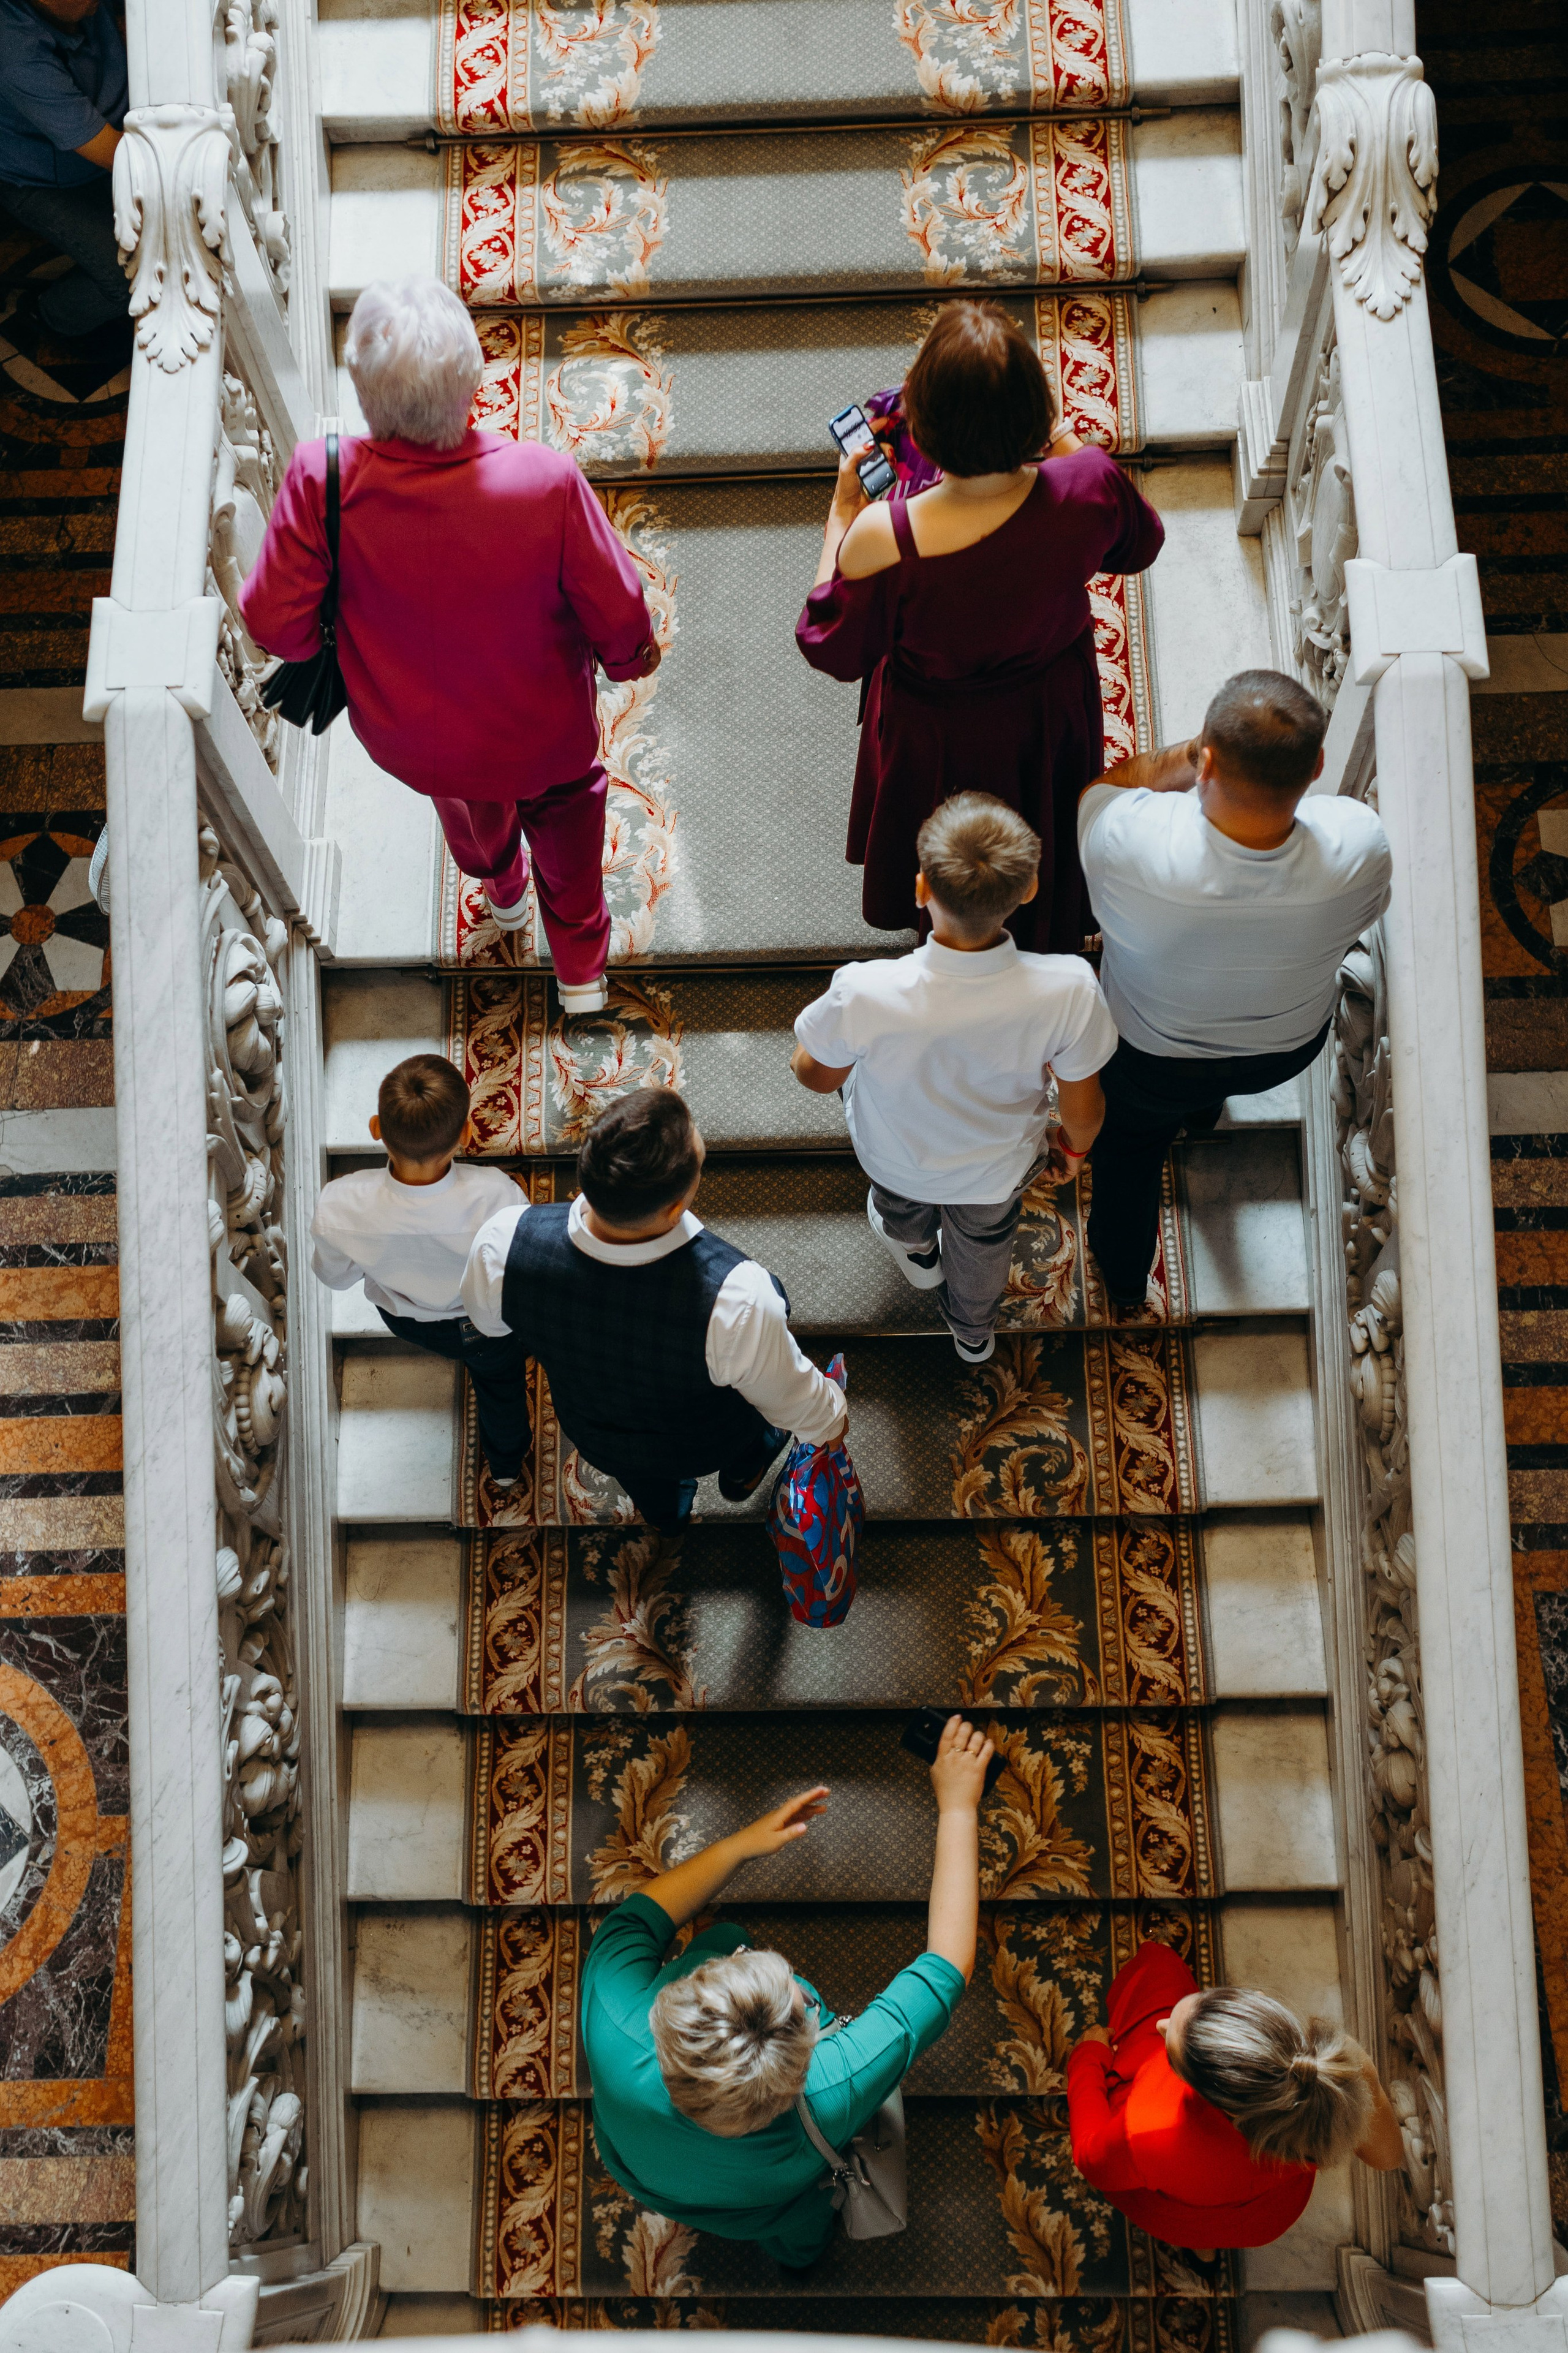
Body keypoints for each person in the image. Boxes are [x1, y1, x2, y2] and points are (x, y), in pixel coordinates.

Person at [238, 277, 658, 1017]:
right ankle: (580, 975)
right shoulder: (544, 480)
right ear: (473, 379)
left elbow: (275, 626)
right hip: (542, 732)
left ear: (365, 394)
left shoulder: (321, 477)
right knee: (567, 824)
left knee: (467, 803)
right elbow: (620, 613)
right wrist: (628, 662)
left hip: (413, 735)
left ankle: (501, 895)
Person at [795, 298, 1164, 957]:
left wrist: (841, 513)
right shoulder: (1088, 485)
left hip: (934, 726)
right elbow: (1139, 543)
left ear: (923, 432)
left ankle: (941, 918)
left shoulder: (888, 533)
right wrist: (1058, 438)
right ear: (1034, 410)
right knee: (1044, 814)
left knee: (937, 831)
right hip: (1048, 705)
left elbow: (832, 643)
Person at [580, 1712, 995, 2267]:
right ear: (805, 2062)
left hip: (647, 2169)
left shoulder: (615, 2014)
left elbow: (633, 1923)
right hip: (771, 2200)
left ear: (669, 2009)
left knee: (722, 1933)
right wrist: (960, 1805)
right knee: (800, 2228)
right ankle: (801, 2256)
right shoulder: (831, 2088)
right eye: (798, 1997)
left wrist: (738, 1848)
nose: (753, 1955)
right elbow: (947, 1966)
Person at [1079, 668, 1392, 1308]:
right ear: (1317, 766)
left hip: (1144, 1060)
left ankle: (1123, 1277)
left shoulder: (1130, 839)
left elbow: (1099, 789)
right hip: (1279, 1048)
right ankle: (1201, 1116)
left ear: (1207, 759)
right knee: (1207, 1086)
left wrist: (1181, 757)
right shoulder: (1360, 843)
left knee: (1130, 1157)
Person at [791, 791, 1116, 1363]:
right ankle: (972, 1330)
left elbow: (815, 1076)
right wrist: (1074, 1147)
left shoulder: (864, 989)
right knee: (986, 1241)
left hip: (896, 1155)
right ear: (1030, 888)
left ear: (921, 889)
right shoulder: (1069, 989)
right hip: (998, 1168)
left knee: (901, 1204)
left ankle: (917, 1251)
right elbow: (1084, 1106)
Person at [461, 1087, 847, 1533]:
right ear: (675, 1206)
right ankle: (745, 1467)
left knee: (651, 1488)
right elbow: (795, 1400)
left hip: (599, 1433)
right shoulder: (737, 1299)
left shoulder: (503, 1246)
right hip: (705, 1437)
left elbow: (488, 1323)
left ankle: (669, 1517)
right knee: (755, 1403)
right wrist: (832, 1422)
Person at [1066, 1939, 1403, 2251]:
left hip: (1186, 2207)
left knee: (1155, 1968)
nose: (1162, 2025)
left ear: (1208, 2094)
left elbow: (1090, 2158)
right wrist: (1367, 2083)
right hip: (1261, 2216)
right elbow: (1388, 2158)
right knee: (1160, 1971)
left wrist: (1088, 2057)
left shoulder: (1148, 2131)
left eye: (1173, 2056)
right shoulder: (1334, 2073)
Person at [310, 1054, 531, 1489]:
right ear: (466, 1134)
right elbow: (518, 1271)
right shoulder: (497, 1196)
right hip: (483, 1323)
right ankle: (505, 1465)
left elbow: (336, 1278)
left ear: (376, 1129)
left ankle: (505, 1464)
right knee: (500, 1386)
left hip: (409, 1321)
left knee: (487, 1370)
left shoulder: (338, 1205)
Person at [0, 0, 130, 347]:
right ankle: (49, 317)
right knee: (128, 274)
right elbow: (117, 156)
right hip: (40, 181)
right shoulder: (16, 53)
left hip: (105, 140)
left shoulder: (75, 8)